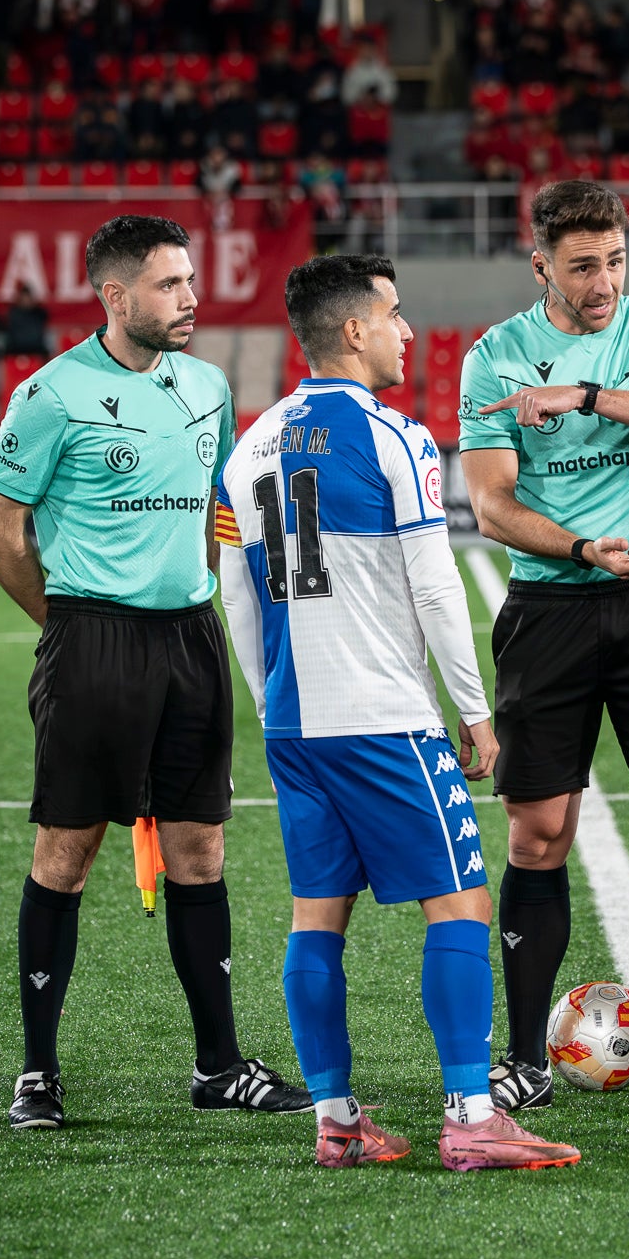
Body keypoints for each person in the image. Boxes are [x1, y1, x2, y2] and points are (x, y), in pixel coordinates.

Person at [217, 253, 582, 1172]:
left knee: (316, 913)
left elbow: (236, 598)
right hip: (382, 713)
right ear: (354, 330)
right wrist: (476, 712)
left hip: (295, 722)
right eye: (393, 313)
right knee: (458, 898)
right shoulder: (397, 438)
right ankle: (471, 1113)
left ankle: (337, 1120)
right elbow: (435, 585)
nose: (407, 330)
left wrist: (273, 704)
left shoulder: (248, 447)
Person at [0, 215, 312, 1130]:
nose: (191, 298)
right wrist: (68, 628)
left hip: (191, 639)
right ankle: (38, 1073)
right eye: (170, 285)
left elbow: (214, 512)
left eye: (190, 280)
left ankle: (219, 1066)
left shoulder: (207, 385)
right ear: (115, 296)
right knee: (67, 852)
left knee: (202, 850)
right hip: (95, 643)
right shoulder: (50, 395)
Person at [457, 180, 629, 1120]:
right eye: (582, 266)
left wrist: (584, 396)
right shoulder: (495, 357)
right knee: (537, 832)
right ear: (541, 266)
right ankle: (523, 1056)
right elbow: (491, 502)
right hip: (550, 610)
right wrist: (579, 547)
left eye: (615, 259)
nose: (605, 281)